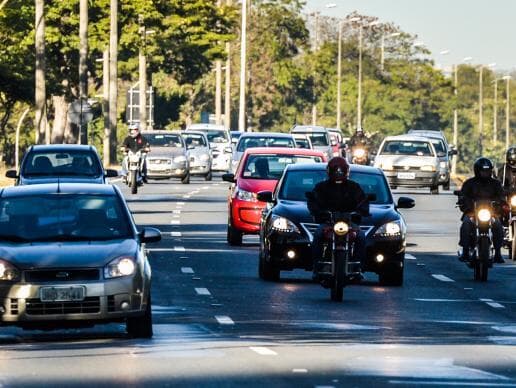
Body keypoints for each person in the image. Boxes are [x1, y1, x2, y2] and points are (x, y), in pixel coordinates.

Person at [307, 157, 369, 280]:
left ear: (346, 171)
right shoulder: (321, 187)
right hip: (329, 222)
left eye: (341, 171)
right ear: (329, 171)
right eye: (336, 171)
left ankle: (358, 267)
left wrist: (360, 212)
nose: (338, 173)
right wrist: (319, 213)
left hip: (349, 223)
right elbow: (313, 201)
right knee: (318, 235)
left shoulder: (354, 187)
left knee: (361, 237)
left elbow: (363, 201)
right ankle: (316, 266)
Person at [458, 157, 506, 263]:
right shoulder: (469, 183)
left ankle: (498, 253)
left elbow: (501, 196)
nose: (485, 173)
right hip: (473, 212)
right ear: (477, 170)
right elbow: (463, 195)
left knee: (498, 225)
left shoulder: (496, 184)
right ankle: (465, 251)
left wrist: (500, 203)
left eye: (487, 170)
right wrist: (464, 202)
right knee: (466, 224)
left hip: (491, 213)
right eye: (483, 171)